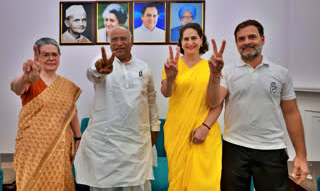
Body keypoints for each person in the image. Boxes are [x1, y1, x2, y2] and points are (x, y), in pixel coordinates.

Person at [206, 19, 309, 191]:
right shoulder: (227, 72)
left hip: (272, 150)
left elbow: (291, 113)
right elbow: (213, 101)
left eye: (252, 37)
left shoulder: (281, 73)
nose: (247, 42)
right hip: (235, 149)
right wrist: (214, 75)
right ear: (237, 43)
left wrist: (301, 155)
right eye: (241, 39)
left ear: (263, 39)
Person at [74, 26, 160, 191]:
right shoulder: (102, 61)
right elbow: (92, 72)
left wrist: (155, 126)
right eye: (114, 39)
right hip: (105, 143)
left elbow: (151, 99)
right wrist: (99, 69)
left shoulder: (144, 68)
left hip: (135, 142)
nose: (119, 43)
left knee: (136, 185)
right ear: (109, 43)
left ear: (131, 42)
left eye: (123, 39)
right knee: (104, 186)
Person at [10, 37, 82, 190]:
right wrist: (24, 78)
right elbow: (15, 88)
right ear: (38, 57)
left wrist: (78, 136)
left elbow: (72, 111)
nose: (51, 58)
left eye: (54, 54)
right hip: (32, 147)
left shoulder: (67, 85)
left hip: (60, 146)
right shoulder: (31, 80)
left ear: (59, 57)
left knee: (60, 183)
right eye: (46, 55)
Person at [161, 23, 222, 190]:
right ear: (180, 43)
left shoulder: (212, 66)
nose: (190, 42)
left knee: (205, 183)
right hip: (177, 131)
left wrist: (205, 127)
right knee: (178, 182)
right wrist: (171, 77)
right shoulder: (172, 65)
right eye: (185, 39)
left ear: (201, 40)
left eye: (194, 38)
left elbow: (217, 103)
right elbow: (166, 93)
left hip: (206, 132)